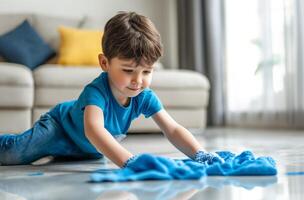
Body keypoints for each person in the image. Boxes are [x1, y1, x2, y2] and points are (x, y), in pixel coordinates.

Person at [0, 11, 222, 168]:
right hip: (60, 129)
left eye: (147, 72)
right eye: (128, 70)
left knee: (89, 156)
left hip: (88, 150)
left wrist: (200, 154)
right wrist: (129, 162)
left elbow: (172, 130)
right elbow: (94, 131)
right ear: (105, 63)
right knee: (15, 153)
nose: (138, 81)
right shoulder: (95, 91)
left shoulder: (144, 97)